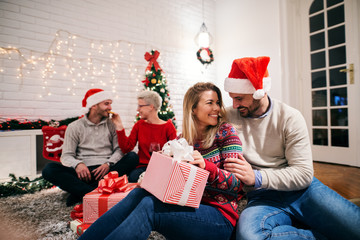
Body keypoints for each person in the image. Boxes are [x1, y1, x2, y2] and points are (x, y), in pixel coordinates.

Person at [79, 82, 244, 240]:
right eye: (210, 103)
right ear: (193, 109)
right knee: (138, 193)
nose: (217, 108)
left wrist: (207, 167)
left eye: (217, 102)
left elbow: (237, 184)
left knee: (149, 207)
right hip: (189, 208)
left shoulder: (226, 132)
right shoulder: (183, 139)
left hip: (219, 218)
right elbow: (176, 187)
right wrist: (162, 168)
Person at [222, 56, 360, 240]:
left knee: (355, 228)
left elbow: (303, 174)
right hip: (262, 198)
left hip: (302, 191)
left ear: (259, 92)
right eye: (232, 99)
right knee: (249, 237)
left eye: (239, 98)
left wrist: (256, 176)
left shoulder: (290, 117)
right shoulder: (229, 116)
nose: (235, 105)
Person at [42, 88, 139, 206]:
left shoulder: (111, 124)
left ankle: (80, 193)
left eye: (110, 104)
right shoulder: (74, 127)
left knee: (133, 156)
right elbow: (67, 155)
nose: (110, 108)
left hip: (106, 171)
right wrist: (78, 164)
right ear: (93, 105)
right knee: (49, 169)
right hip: (83, 173)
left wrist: (108, 164)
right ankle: (92, 193)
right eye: (106, 104)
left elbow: (119, 150)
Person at [111, 90, 177, 182]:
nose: (137, 109)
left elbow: (175, 153)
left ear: (151, 107)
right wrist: (119, 127)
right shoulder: (139, 125)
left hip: (161, 168)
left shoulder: (168, 127)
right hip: (142, 168)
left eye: (140, 106)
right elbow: (126, 148)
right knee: (134, 177)